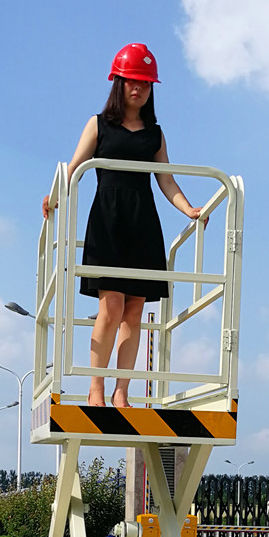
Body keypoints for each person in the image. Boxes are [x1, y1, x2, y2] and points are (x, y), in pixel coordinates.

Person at [42, 43, 204, 408]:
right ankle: (96, 388)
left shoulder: (155, 134)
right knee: (111, 306)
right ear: (119, 82)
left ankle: (121, 392)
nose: (139, 88)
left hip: (143, 223)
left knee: (135, 310)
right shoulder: (98, 125)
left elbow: (166, 180)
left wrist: (189, 209)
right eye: (133, 81)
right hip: (107, 221)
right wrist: (54, 197)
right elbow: (73, 170)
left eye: (145, 83)